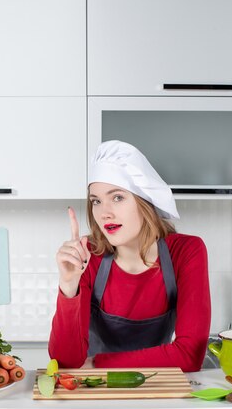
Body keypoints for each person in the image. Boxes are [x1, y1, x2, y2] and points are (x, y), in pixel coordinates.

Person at [48, 140, 211, 372]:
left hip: (156, 389)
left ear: (144, 201)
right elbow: (65, 362)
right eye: (96, 201)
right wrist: (68, 285)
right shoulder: (87, 255)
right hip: (97, 392)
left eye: (117, 197)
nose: (104, 213)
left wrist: (98, 363)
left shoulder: (186, 251)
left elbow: (190, 355)